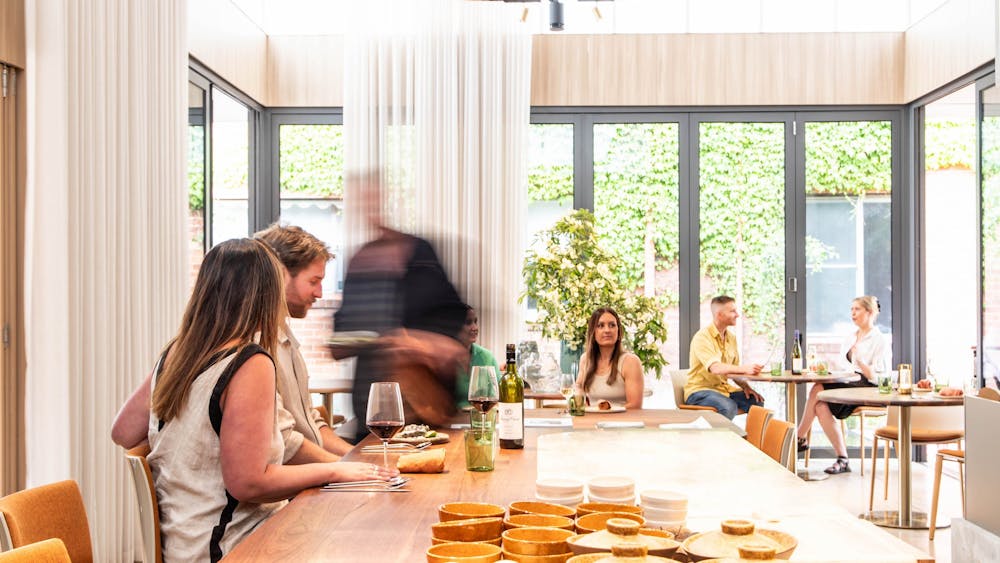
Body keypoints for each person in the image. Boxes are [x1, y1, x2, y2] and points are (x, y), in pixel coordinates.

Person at [110, 239, 397, 562]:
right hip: (232, 546)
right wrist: (333, 472)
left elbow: (123, 433)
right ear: (266, 296)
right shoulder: (248, 362)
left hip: (185, 544)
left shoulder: (177, 354)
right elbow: (248, 483)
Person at [331, 170, 469, 440]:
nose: (370, 208)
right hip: (373, 409)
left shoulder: (420, 252)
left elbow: (453, 324)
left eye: (374, 199)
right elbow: (338, 343)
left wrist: (426, 344)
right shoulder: (360, 260)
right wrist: (387, 340)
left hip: (424, 408)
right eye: (362, 201)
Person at [254, 223, 354, 457]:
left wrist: (356, 457)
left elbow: (311, 421)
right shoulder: (256, 346)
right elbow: (284, 443)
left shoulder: (285, 337)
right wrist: (348, 468)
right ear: (280, 275)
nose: (319, 293)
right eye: (313, 281)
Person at [795, 295, 889, 475]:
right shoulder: (851, 337)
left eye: (857, 309)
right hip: (850, 383)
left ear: (869, 312)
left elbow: (880, 378)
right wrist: (828, 369)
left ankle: (799, 437)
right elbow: (843, 367)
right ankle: (842, 459)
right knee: (821, 406)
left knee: (817, 388)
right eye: (851, 309)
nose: (852, 313)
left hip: (869, 388)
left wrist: (860, 362)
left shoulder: (879, 340)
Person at [684, 295, 764, 419]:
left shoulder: (731, 338)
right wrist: (745, 369)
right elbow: (715, 368)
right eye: (732, 311)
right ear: (719, 314)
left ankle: (750, 438)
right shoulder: (702, 337)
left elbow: (732, 371)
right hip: (699, 392)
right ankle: (721, 438)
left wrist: (746, 387)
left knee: (756, 402)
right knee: (728, 406)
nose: (737, 314)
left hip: (723, 390)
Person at [575, 307, 644, 409]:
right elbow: (578, 386)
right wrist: (580, 400)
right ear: (593, 332)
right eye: (600, 326)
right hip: (592, 421)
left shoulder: (630, 361)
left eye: (612, 325)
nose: (607, 330)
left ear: (618, 331)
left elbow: (635, 405)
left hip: (621, 422)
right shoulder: (585, 359)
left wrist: (606, 411)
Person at [454, 305, 500, 409]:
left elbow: (498, 394)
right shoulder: (442, 357)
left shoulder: (487, 356)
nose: (475, 328)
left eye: (475, 322)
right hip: (450, 422)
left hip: (482, 418)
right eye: (468, 323)